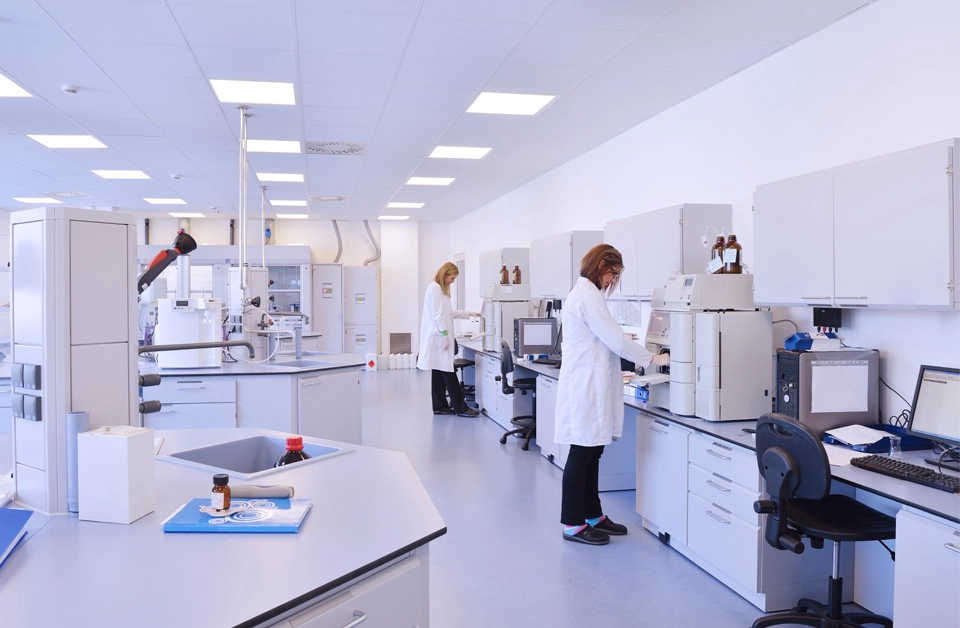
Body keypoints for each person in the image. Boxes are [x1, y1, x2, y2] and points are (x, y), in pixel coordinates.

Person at [556, 244, 670, 545]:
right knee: (582, 453)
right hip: (585, 386)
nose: (612, 281)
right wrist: (653, 359)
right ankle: (572, 524)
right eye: (612, 274)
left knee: (593, 451)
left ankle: (593, 516)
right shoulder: (587, 296)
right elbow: (615, 339)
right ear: (600, 265)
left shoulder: (587, 294)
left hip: (592, 383)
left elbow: (608, 336)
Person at [417, 262, 481, 417]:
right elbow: (438, 315)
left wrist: (469, 313)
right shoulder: (435, 288)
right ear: (445, 274)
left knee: (438, 372)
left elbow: (448, 312)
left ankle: (439, 406)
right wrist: (445, 334)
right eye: (452, 278)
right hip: (438, 337)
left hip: (439, 337)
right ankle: (461, 408)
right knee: (448, 372)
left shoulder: (440, 289)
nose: (453, 281)